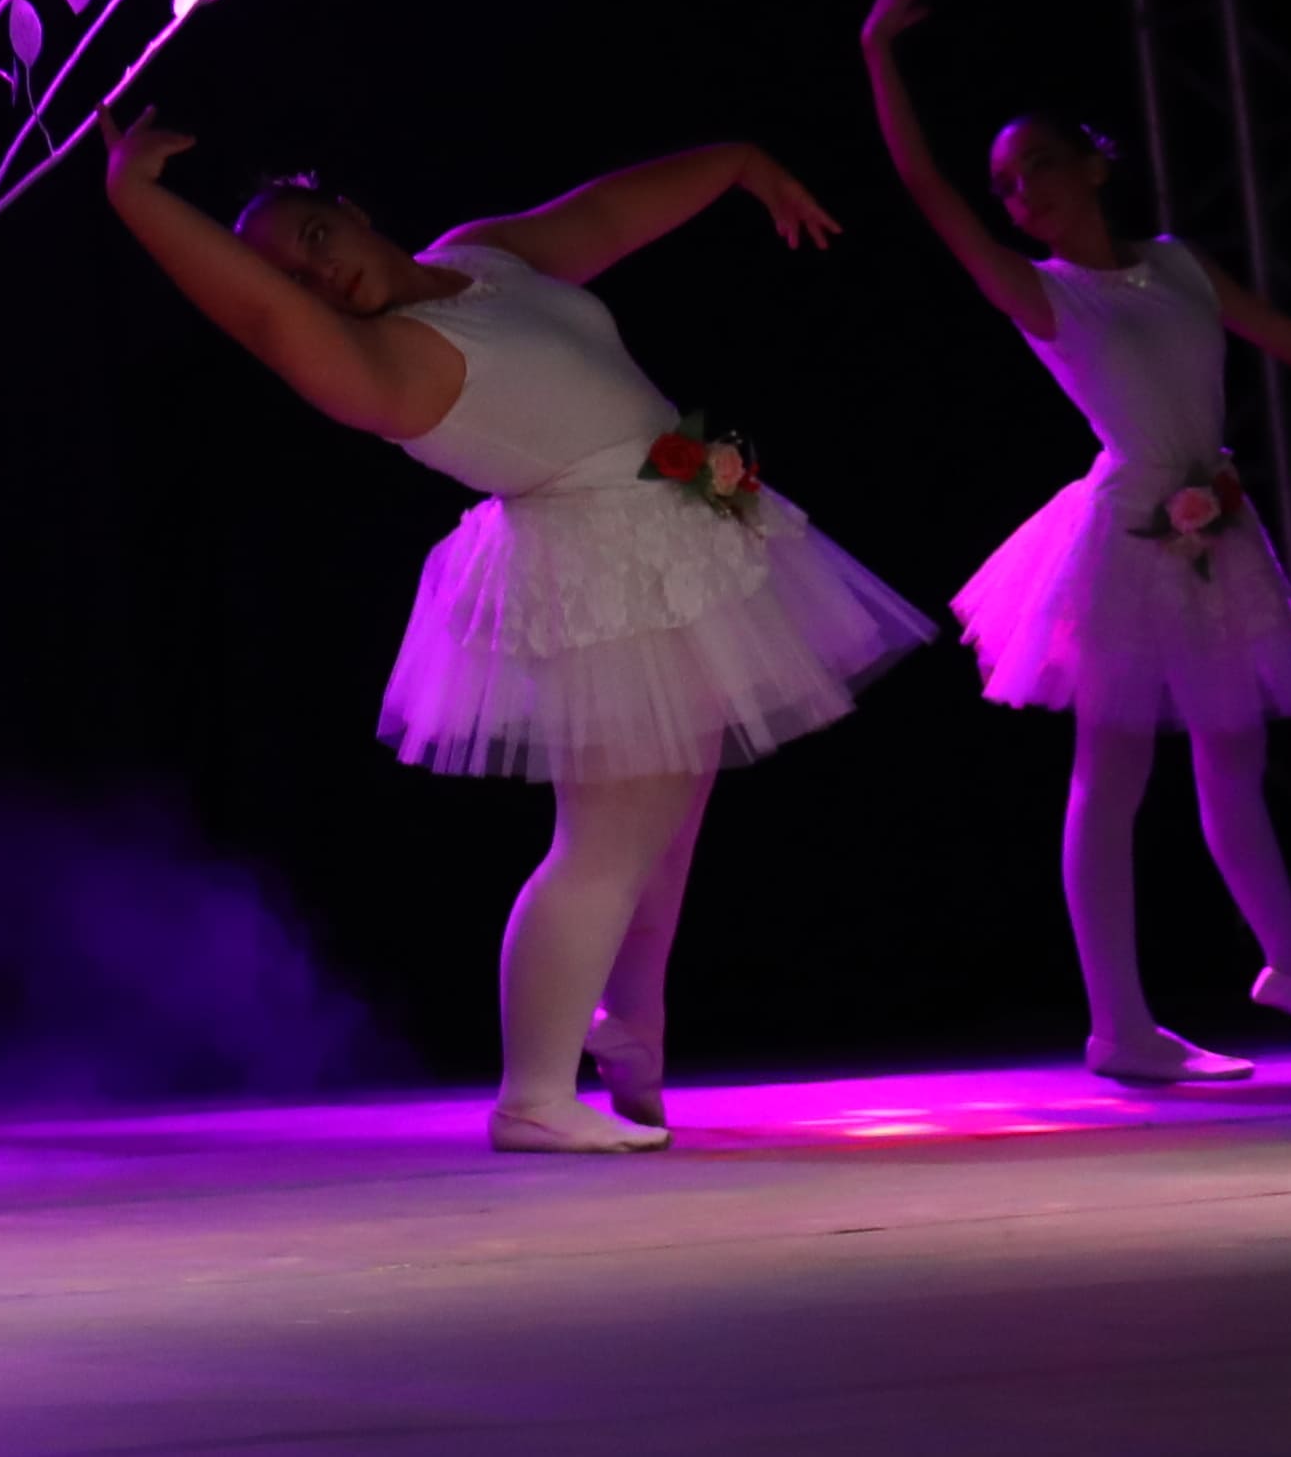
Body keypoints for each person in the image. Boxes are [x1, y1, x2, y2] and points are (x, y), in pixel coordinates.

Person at [96, 107, 931, 1150]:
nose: (318, 275)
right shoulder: (381, 363)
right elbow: (261, 317)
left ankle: (632, 1034)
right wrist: (136, 197)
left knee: (668, 826)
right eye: (295, 276)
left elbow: (606, 214)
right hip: (606, 570)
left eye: (315, 238)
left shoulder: (480, 258)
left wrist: (737, 162)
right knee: (609, 842)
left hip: (675, 529)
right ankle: (533, 1093)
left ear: (350, 211)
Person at [859, 0, 1291, 1085]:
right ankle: (1119, 1026)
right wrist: (879, 55)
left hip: (1213, 520)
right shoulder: (1042, 294)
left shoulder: (1179, 265)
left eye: (1037, 166)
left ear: (1095, 165)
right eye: (1007, 184)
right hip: (1127, 532)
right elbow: (927, 190)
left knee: (1234, 755)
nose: (1020, 193)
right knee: (1113, 767)